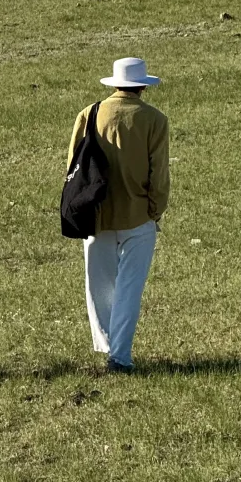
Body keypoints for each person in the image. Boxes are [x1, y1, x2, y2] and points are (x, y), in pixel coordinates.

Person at [67, 57, 169, 373]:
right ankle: (120, 356)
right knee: (129, 287)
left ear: (114, 84)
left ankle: (109, 345)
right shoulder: (154, 120)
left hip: (95, 213)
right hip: (138, 215)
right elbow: (159, 174)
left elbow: (73, 166)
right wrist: (155, 210)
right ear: (142, 86)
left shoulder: (89, 114)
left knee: (99, 284)